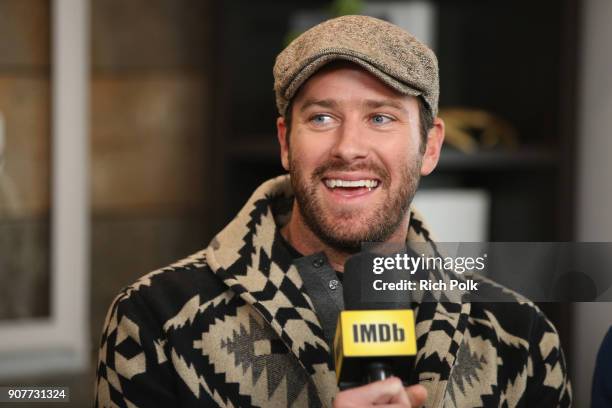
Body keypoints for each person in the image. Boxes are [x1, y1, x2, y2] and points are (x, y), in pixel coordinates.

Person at [94, 15, 571, 407]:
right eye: (322, 118)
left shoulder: (519, 336)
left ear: (429, 147)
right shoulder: (156, 317)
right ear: (285, 142)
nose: (349, 148)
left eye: (381, 117)